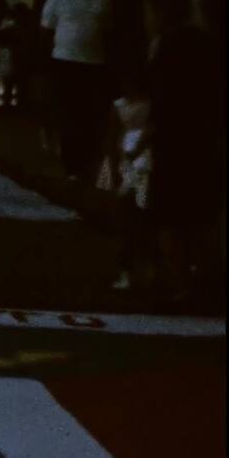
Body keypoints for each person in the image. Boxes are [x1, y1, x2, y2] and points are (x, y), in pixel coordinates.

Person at [146, 0, 224, 308]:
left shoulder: (162, 47)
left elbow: (157, 94)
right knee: (204, 211)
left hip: (170, 137)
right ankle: (208, 277)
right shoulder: (209, 47)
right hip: (203, 137)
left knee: (166, 214)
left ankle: (180, 283)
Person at [40, 0, 114, 181]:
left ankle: (84, 160)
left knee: (88, 115)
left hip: (92, 64)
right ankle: (71, 163)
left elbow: (108, 33)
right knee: (68, 112)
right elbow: (46, 30)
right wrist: (46, 63)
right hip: (64, 62)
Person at [98, 67, 154, 295]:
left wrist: (110, 171)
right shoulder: (151, 105)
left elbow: (111, 139)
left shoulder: (120, 106)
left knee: (130, 216)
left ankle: (129, 270)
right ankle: (145, 268)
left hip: (132, 163)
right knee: (141, 214)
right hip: (143, 162)